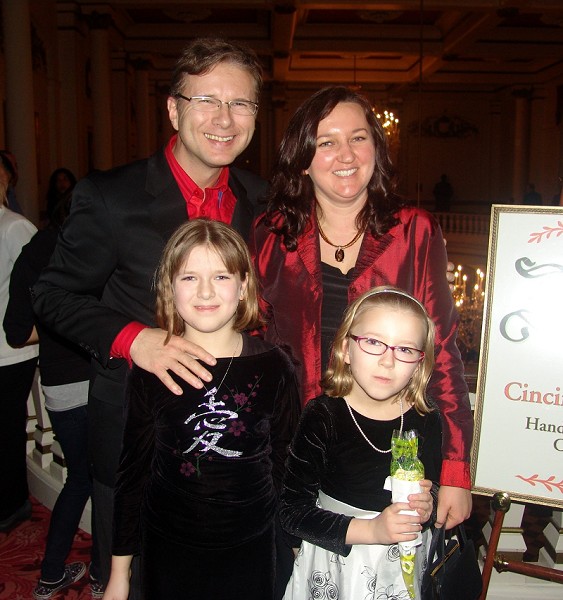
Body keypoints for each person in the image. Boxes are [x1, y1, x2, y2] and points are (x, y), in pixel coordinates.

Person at [33, 37, 267, 592]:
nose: (225, 119)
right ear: (174, 109)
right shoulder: (111, 197)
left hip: (230, 435)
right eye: (206, 100)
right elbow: (52, 294)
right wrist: (134, 338)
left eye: (240, 103)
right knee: (132, 583)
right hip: (135, 435)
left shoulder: (261, 201)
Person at [250, 86, 473, 530]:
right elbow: (254, 343)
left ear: (377, 147)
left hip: (391, 450)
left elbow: (443, 351)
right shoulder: (270, 234)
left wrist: (455, 469)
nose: (346, 155)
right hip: (293, 448)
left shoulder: (415, 231)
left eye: (358, 137)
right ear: (302, 158)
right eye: (326, 142)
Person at [102, 219, 300, 600]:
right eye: (189, 277)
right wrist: (119, 573)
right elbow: (132, 473)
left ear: (243, 286)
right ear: (170, 287)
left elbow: (286, 466)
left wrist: (295, 548)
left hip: (250, 547)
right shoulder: (152, 370)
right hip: (169, 548)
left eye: (221, 276)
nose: (205, 291)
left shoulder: (275, 367)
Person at [280, 286, 441, 599]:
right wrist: (373, 530)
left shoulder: (426, 417)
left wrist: (427, 506)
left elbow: (431, 488)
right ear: (345, 349)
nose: (387, 361)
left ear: (419, 364)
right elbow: (292, 512)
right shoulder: (323, 416)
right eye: (373, 342)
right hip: (337, 563)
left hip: (403, 566)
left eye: (405, 349)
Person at [3, 190, 102, 598]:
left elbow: (16, 332)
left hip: (58, 387)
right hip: (99, 383)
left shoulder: (34, 251)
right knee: (107, 482)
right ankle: (103, 575)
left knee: (80, 479)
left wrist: (53, 333)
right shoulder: (91, 251)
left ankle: (50, 574)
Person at [0, 153, 38, 532]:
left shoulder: (14, 226)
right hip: (6, 348)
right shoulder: (11, 226)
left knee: (8, 429)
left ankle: (12, 503)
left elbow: (37, 286)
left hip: (11, 350)